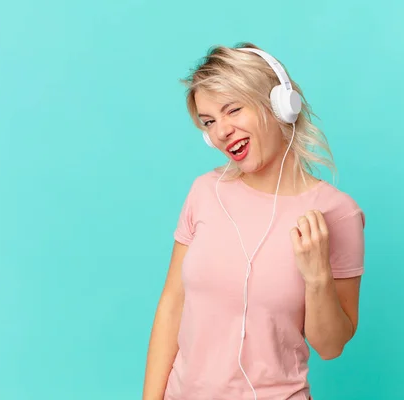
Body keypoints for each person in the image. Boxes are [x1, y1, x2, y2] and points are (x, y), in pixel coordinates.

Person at [143, 42, 366, 400]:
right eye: (210, 122)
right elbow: (172, 305)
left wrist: (318, 277)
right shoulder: (204, 192)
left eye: (233, 110)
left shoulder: (336, 212)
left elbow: (331, 346)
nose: (221, 132)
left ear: (280, 105)